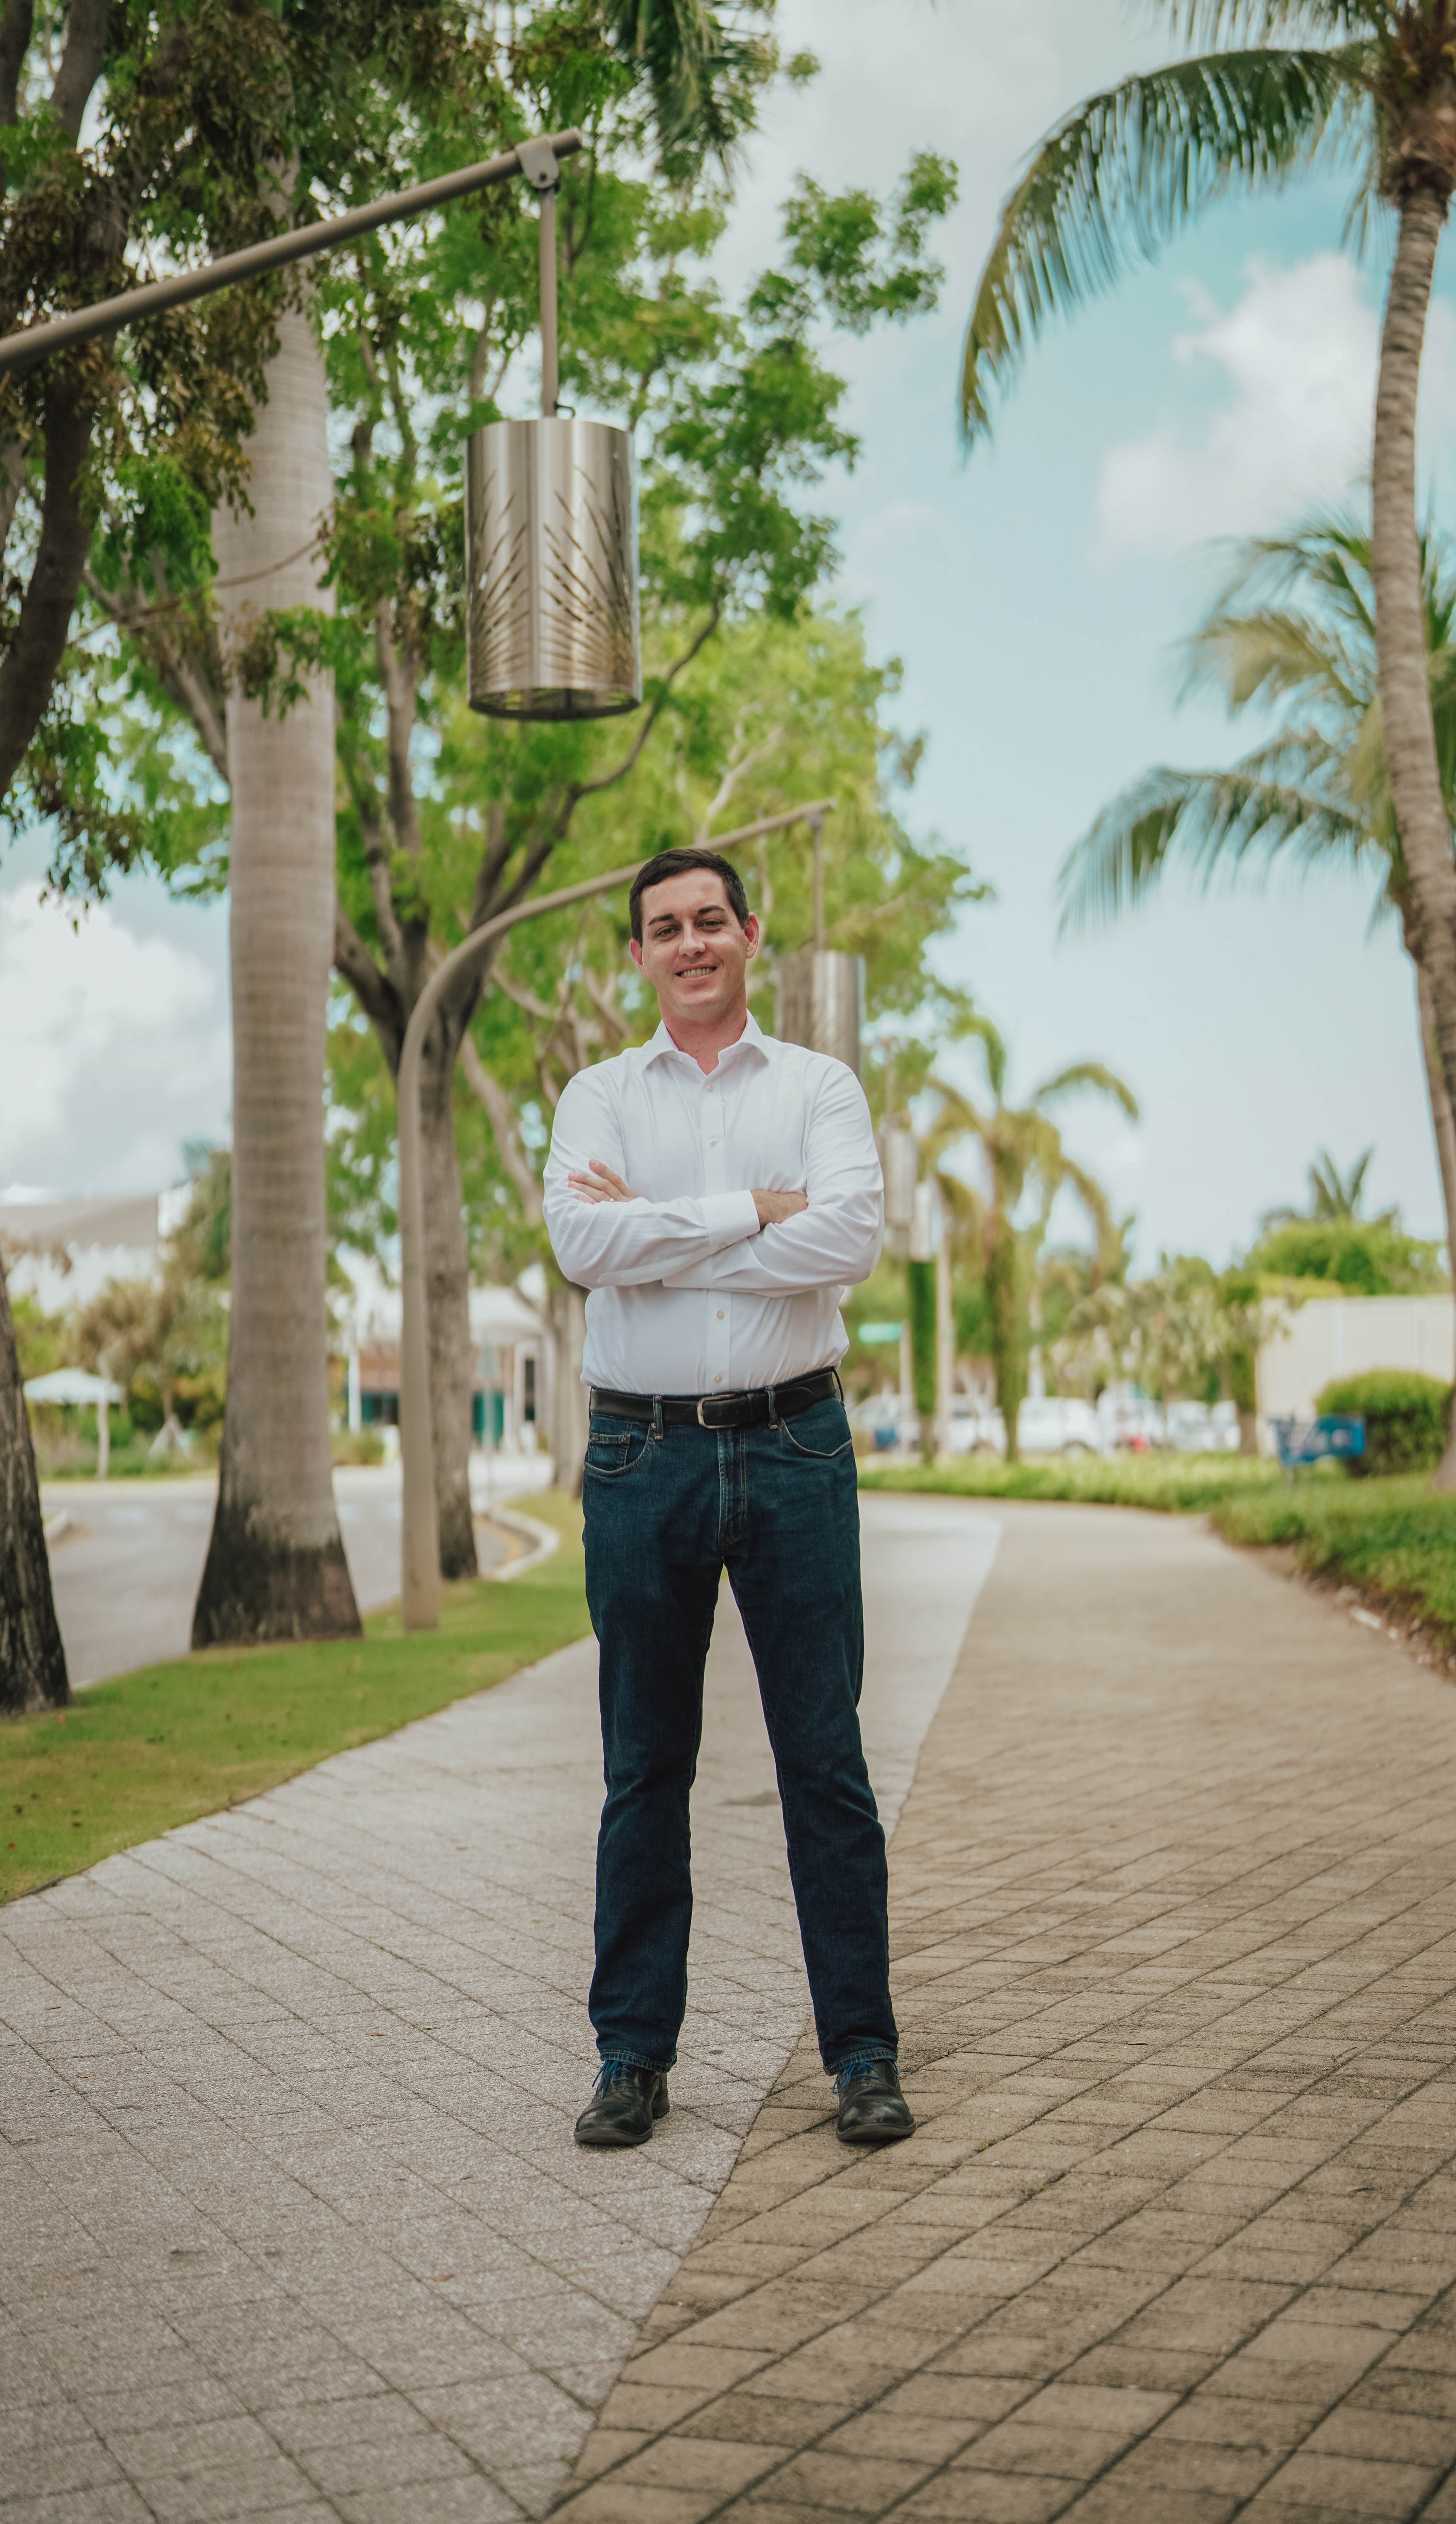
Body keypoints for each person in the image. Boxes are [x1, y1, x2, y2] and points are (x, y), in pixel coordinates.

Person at [542, 845, 915, 2151]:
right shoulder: (596, 1095)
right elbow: (586, 1247)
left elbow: (850, 1239)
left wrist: (667, 1224)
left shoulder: (822, 1087)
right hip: (640, 1463)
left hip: (796, 1447)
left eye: (711, 920)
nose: (691, 942)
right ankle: (631, 2060)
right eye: (665, 927)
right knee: (645, 1769)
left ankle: (863, 2056)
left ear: (752, 934)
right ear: (637, 954)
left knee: (827, 1766)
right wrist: (753, 1211)